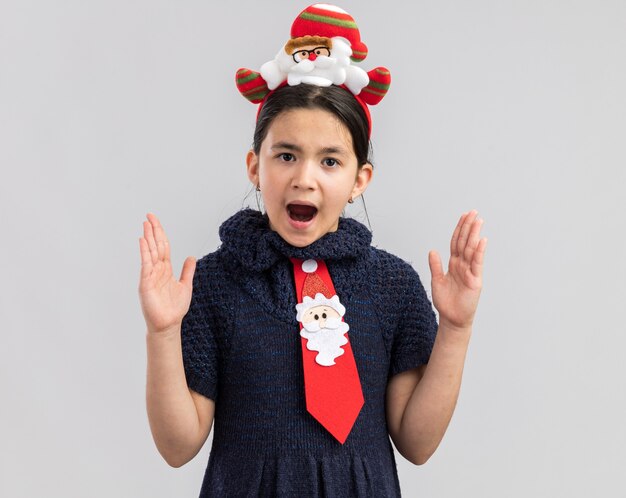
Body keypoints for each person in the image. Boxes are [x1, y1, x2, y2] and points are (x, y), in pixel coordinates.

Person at [139, 4, 487, 497]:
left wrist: (456, 328)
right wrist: (162, 331)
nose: (304, 178)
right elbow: (178, 446)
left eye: (330, 161)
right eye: (285, 156)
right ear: (255, 167)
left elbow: (418, 442)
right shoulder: (214, 284)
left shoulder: (393, 286)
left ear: (358, 180)